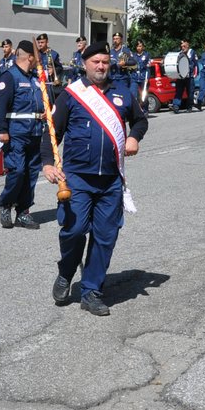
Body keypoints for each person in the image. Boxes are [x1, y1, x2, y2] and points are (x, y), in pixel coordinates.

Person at [41, 43, 148, 317]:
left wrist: (134, 136)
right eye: (95, 62)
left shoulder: (122, 92)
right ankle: (66, 271)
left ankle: (91, 291)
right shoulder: (71, 95)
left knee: (105, 237)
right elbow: (53, 132)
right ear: (85, 64)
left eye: (105, 62)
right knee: (74, 231)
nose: (101, 66)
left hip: (111, 180)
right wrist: (47, 164)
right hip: (77, 178)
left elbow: (140, 121)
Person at [0, 40, 45, 230]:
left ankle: (23, 211)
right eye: (37, 57)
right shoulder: (9, 77)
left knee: (31, 174)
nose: (39, 60)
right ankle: (6, 203)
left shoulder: (35, 78)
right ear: (30, 57)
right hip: (16, 133)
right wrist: (2, 130)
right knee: (17, 171)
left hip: (35, 132)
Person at [170, 40, 195, 114]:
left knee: (190, 92)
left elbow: (194, 63)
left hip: (189, 76)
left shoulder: (191, 52)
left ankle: (189, 106)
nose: (183, 48)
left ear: (188, 45)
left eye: (184, 46)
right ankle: (176, 106)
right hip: (181, 76)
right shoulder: (179, 53)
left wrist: (195, 73)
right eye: (182, 46)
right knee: (179, 91)